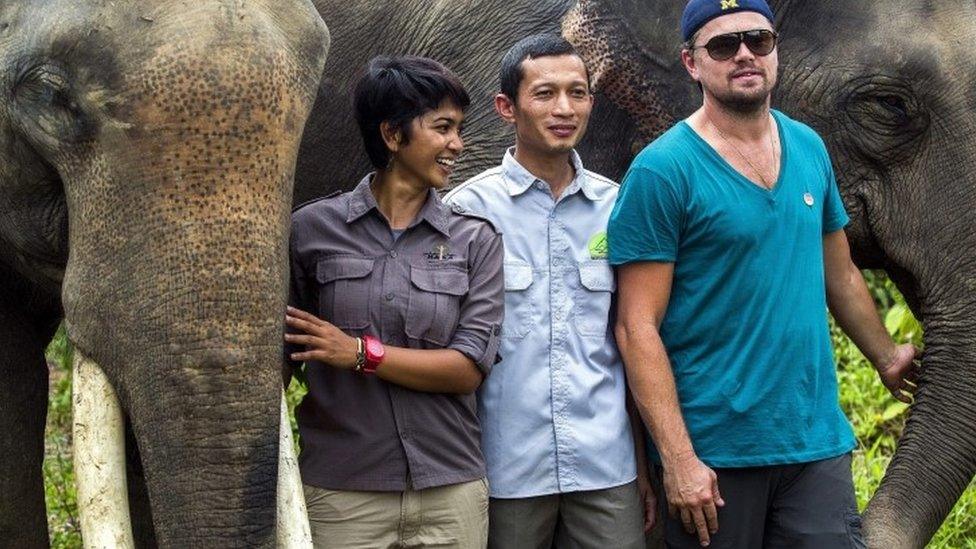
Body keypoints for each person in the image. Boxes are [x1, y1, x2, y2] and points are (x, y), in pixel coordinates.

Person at [607, 1, 920, 547]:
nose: (745, 54)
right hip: (716, 452)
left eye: (758, 39)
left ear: (776, 50)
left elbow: (839, 271)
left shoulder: (808, 146)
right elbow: (637, 327)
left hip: (813, 440)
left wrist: (887, 357)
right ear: (690, 63)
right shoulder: (662, 170)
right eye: (723, 46)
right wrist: (679, 459)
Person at [284, 55, 504, 548]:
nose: (457, 145)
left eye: (459, 129)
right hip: (343, 491)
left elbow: (467, 368)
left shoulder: (476, 241)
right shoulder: (310, 231)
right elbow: (276, 362)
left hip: (451, 489)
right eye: (443, 128)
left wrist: (359, 353)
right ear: (392, 135)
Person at [444, 34, 652, 549]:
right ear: (505, 108)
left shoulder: (616, 206)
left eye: (577, 93)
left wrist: (644, 467)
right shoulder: (464, 211)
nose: (564, 108)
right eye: (544, 94)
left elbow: (631, 339)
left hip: (607, 467)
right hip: (504, 468)